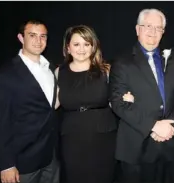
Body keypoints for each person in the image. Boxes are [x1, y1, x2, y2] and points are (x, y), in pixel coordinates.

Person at [109, 8, 174, 183]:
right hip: (137, 147)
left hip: (170, 145)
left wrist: (170, 127)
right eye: (148, 26)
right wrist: (154, 126)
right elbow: (118, 104)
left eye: (158, 28)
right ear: (138, 29)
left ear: (163, 32)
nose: (152, 32)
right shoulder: (122, 62)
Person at [0, 20, 60, 183]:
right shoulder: (4, 74)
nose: (38, 41)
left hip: (51, 157)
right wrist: (6, 165)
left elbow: (49, 107)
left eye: (43, 36)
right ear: (21, 38)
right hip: (22, 161)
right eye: (32, 35)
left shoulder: (51, 68)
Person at [55, 25, 118, 183]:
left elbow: (116, 103)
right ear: (68, 48)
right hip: (72, 138)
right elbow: (51, 105)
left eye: (86, 44)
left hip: (103, 136)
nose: (81, 49)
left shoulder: (106, 71)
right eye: (76, 44)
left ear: (93, 46)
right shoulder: (58, 72)